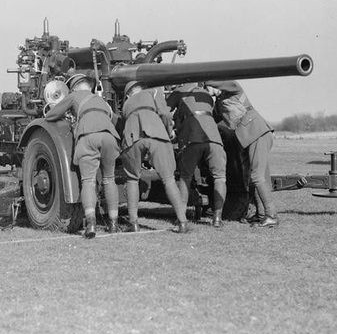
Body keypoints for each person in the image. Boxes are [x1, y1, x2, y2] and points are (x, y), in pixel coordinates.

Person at [44, 73, 121, 239]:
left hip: (88, 136)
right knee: (109, 179)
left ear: (74, 87)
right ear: (89, 86)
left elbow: (52, 115)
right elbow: (114, 120)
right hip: (109, 137)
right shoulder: (103, 101)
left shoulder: (74, 96)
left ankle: (91, 224)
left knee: (88, 181)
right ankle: (114, 223)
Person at [205, 80, 278, 228]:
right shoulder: (219, 102)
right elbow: (213, 121)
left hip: (257, 133)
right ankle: (261, 215)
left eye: (208, 87)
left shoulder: (234, 89)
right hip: (249, 137)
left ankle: (271, 216)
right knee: (256, 178)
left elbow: (225, 82)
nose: (208, 90)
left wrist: (205, 78)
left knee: (257, 177)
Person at [121, 81, 190, 233]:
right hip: (156, 132)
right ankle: (183, 222)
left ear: (128, 94)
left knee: (132, 179)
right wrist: (168, 130)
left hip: (133, 136)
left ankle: (133, 223)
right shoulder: (152, 93)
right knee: (169, 178)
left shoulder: (126, 105)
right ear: (141, 88)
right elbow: (165, 114)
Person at [167, 83, 227, 227]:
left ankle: (181, 218)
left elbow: (164, 111)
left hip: (192, 139)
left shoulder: (178, 92)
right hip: (214, 139)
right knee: (220, 177)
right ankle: (217, 218)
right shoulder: (205, 95)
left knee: (185, 177)